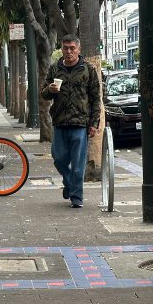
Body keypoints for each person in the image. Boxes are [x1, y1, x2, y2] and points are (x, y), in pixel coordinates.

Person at [41, 34, 101, 208]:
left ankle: (76, 197)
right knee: (59, 159)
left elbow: (96, 98)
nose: (68, 51)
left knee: (78, 165)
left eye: (72, 48)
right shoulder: (55, 68)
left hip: (80, 123)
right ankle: (69, 183)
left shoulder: (88, 69)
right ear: (61, 49)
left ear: (78, 49)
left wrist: (94, 123)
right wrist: (50, 90)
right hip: (59, 122)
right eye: (65, 48)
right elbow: (43, 93)